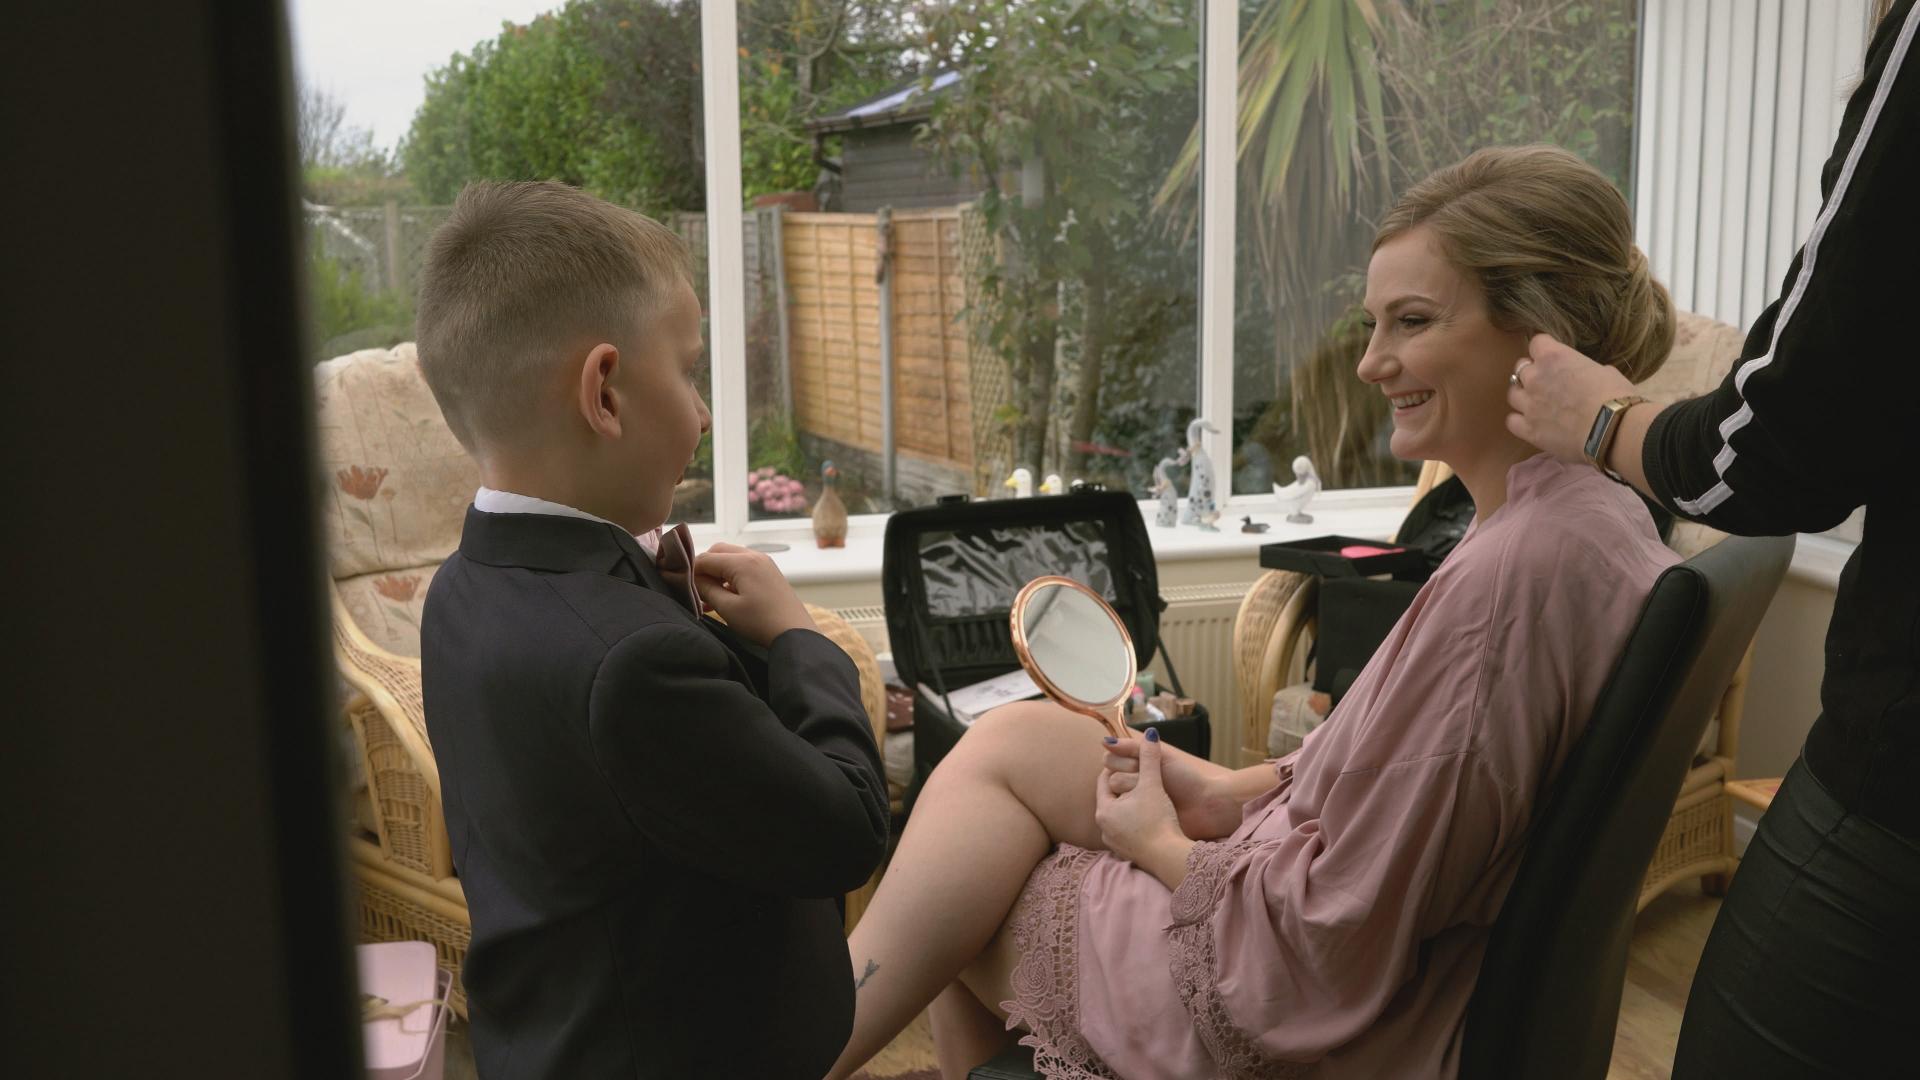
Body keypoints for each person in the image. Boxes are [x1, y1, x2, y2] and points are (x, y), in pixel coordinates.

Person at [825, 145, 1680, 1080]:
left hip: (1300, 998)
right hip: (1308, 892)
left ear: (1540, 339)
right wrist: (1239, 788)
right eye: (1370, 323)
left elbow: (1327, 942)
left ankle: (809, 1053)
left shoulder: (1514, 579)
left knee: (970, 886)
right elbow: (1421, 773)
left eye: (1413, 322)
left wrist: (1155, 844)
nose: (1369, 361)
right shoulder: (1580, 516)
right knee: (1012, 746)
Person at [1505, 2, 1920, 1073]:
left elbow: (1784, 443)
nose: (1374, 362)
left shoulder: (1534, 568)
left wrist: (1605, 424)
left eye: (1413, 321)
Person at [413, 181, 889, 1078]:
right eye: (688, 369)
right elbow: (848, 828)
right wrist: (797, 638)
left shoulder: (461, 591)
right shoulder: (636, 662)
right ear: (606, 392)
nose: (703, 414)